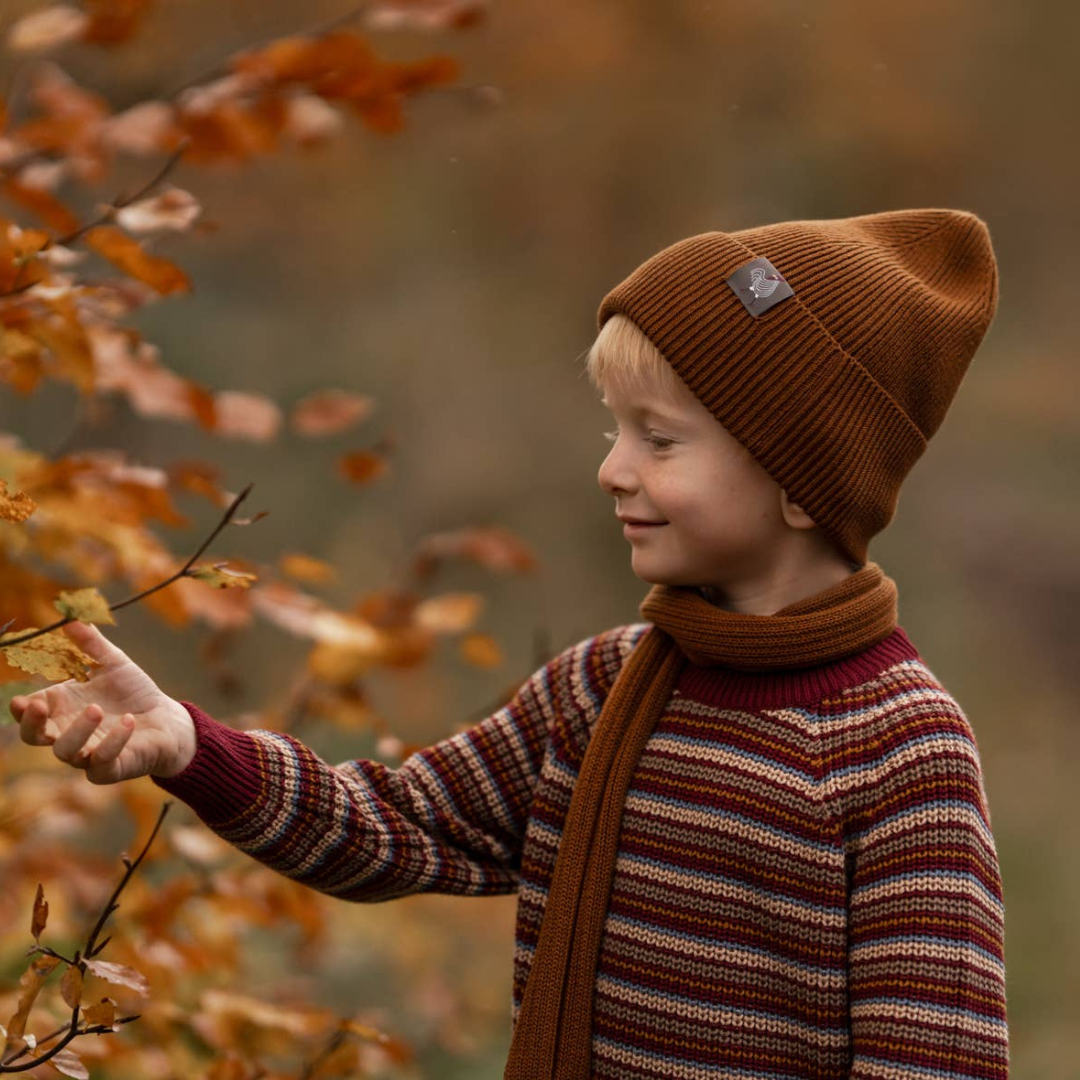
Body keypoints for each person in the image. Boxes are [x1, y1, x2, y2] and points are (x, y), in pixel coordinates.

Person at [11, 208, 1009, 1079]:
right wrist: (186, 743)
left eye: (659, 439)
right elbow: (394, 828)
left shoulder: (900, 752)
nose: (614, 470)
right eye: (614, 429)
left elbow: (934, 1062)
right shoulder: (603, 689)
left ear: (805, 477)